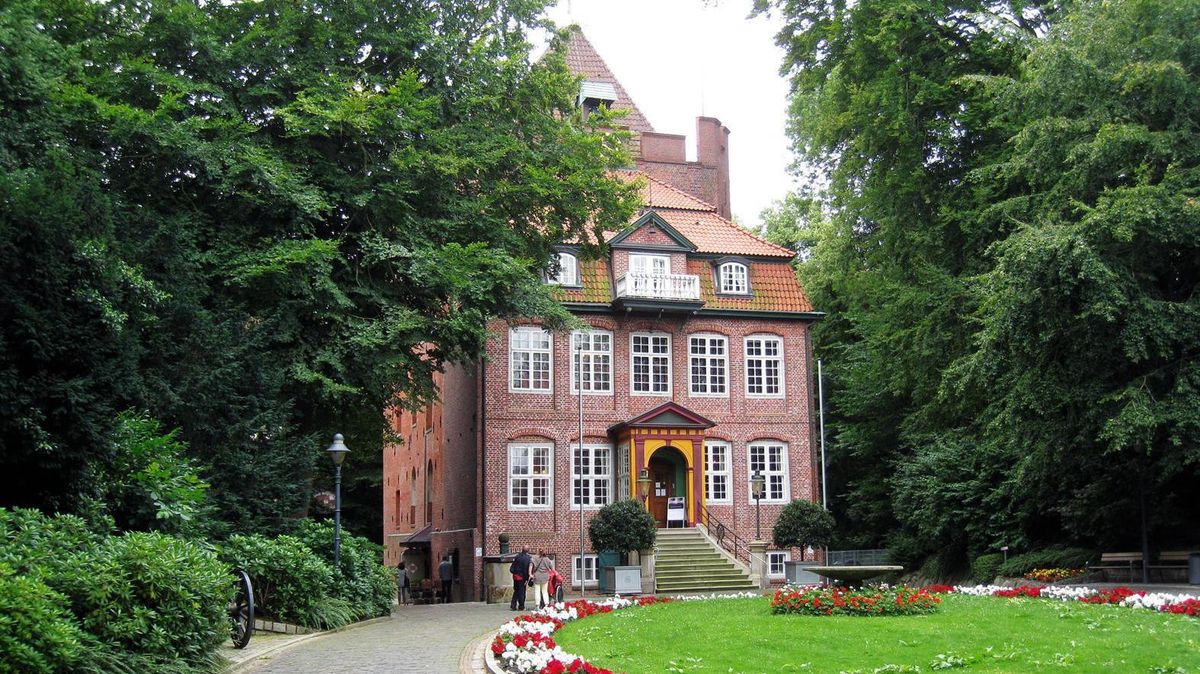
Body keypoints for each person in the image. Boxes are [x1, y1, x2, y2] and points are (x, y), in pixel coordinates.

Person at [509, 545, 533, 611]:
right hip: (522, 577)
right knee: (522, 592)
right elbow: (526, 570)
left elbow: (512, 568)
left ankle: (513, 605)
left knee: (516, 591)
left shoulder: (517, 557)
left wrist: (514, 572)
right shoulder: (528, 558)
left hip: (515, 576)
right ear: (528, 550)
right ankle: (521, 606)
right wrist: (526, 579)